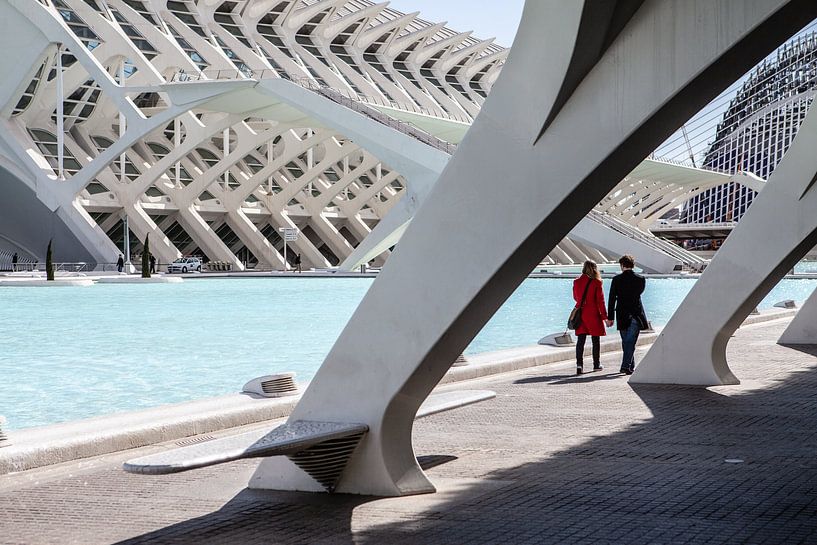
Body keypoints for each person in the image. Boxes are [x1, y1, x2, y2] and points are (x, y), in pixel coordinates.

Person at [606, 254, 648, 375]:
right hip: (636, 313)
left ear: (622, 265)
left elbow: (612, 299)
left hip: (622, 314)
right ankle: (630, 366)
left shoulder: (616, 279)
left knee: (627, 341)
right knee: (630, 342)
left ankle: (625, 366)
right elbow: (638, 294)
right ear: (632, 265)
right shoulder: (641, 279)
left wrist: (610, 318)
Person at [572, 260, 608, 375]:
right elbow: (600, 301)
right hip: (593, 314)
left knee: (580, 341)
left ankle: (579, 365)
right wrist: (605, 317)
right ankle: (596, 365)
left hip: (581, 313)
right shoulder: (597, 283)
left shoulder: (576, 282)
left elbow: (575, 298)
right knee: (595, 340)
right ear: (594, 269)